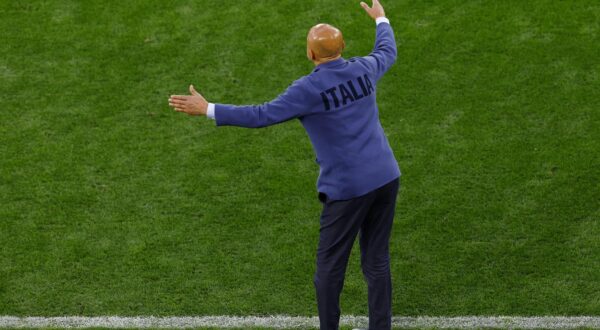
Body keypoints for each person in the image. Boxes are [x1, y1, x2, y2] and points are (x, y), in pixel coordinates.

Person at [169, 0, 399, 329]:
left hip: (348, 189)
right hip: (386, 176)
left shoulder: (308, 89)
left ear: (310, 54)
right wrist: (381, 19)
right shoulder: (365, 68)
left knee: (328, 271)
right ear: (344, 47)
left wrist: (208, 108)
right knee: (376, 260)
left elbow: (261, 115)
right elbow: (387, 51)